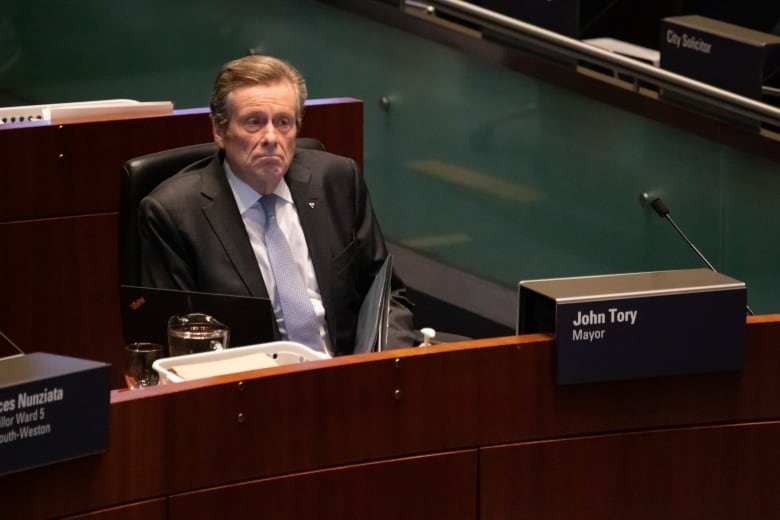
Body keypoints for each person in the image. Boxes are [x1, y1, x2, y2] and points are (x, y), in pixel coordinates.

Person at [138, 55, 416, 355]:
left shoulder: (337, 180)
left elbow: (387, 294)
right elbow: (177, 340)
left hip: (348, 376)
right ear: (219, 131)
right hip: (248, 389)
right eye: (254, 122)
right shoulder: (174, 213)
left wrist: (386, 365)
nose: (271, 137)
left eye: (283, 122)